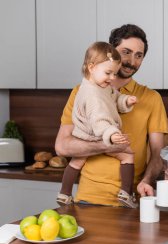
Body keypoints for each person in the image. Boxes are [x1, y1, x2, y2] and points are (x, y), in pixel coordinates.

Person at [55, 24, 168, 207]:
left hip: (131, 202)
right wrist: (109, 145)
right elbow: (62, 147)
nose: (131, 61)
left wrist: (147, 180)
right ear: (111, 51)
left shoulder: (151, 98)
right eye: (126, 52)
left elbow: (158, 154)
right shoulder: (81, 92)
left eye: (138, 55)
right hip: (88, 198)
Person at [57, 41, 139, 208]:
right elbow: (99, 118)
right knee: (127, 155)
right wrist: (111, 134)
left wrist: (125, 101)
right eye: (108, 73)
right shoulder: (93, 95)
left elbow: (114, 97)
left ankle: (64, 194)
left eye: (114, 74)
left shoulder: (97, 85)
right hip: (96, 133)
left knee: (77, 161)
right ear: (91, 67)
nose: (112, 78)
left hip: (84, 133)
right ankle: (126, 193)